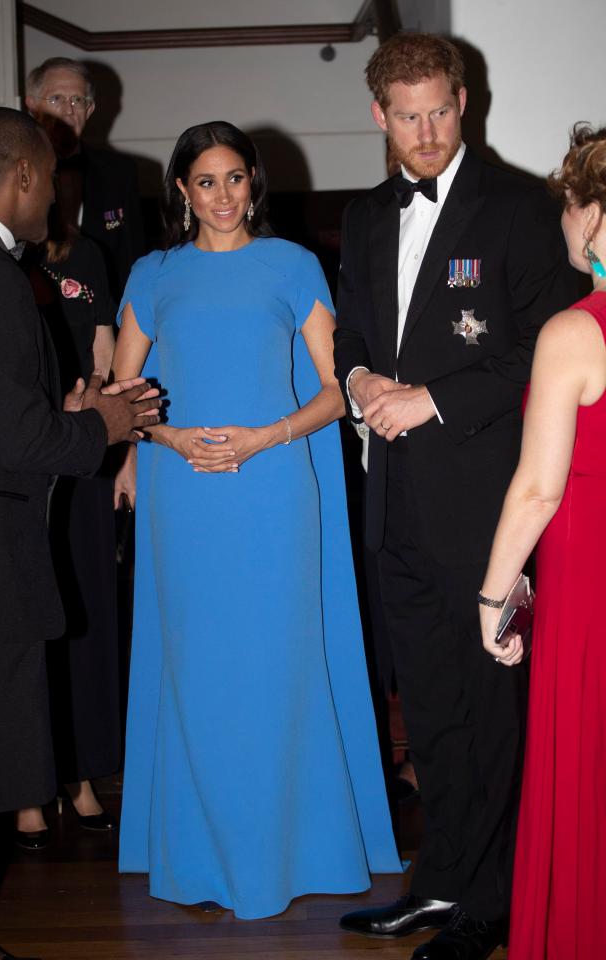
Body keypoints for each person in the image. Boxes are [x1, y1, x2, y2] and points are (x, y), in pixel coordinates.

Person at [111, 120, 403, 920]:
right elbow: (120, 395)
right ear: (181, 191)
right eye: (206, 181)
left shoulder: (293, 265)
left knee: (279, 666)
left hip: (275, 492)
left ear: (254, 183)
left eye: (236, 178)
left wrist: (263, 436)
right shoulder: (153, 274)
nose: (224, 195)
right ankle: (203, 852)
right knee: (199, 667)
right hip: (187, 499)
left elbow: (338, 386)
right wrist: (166, 436)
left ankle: (293, 849)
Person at [334, 33, 576, 960]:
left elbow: (540, 353)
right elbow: (352, 328)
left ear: (463, 100)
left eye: (440, 109)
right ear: (379, 116)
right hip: (392, 503)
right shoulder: (362, 217)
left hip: (483, 504)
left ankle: (495, 899)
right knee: (428, 705)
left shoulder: (519, 207)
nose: (426, 130)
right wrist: (358, 383)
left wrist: (430, 398)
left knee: (491, 709)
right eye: (408, 115)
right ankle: (440, 881)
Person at [0, 108, 160, 960]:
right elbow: (17, 442)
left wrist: (62, 414)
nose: (54, 199)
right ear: (20, 177)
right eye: (48, 180)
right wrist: (104, 425)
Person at [479, 123, 606, 960]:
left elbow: (537, 488)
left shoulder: (576, 333)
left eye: (569, 200)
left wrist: (494, 597)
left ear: (594, 214)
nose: (563, 217)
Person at [15, 115, 122, 849]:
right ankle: (28, 788)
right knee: (28, 625)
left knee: (84, 617)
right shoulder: (1, 262)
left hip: (86, 459)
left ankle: (80, 774)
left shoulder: (88, 255)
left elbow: (113, 360)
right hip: (23, 465)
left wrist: (127, 451)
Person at [25, 57, 145, 301]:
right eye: (56, 99)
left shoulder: (119, 173)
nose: (68, 110)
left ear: (89, 110)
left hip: (107, 316)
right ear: (32, 106)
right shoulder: (15, 172)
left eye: (77, 100)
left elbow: (135, 260)